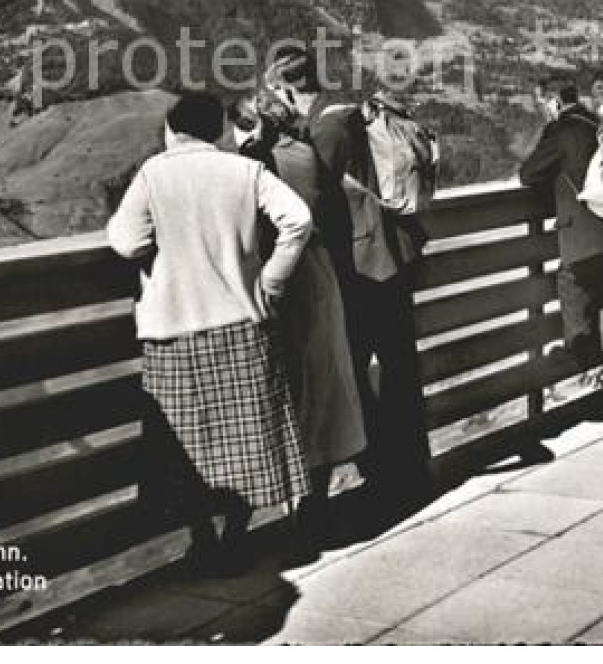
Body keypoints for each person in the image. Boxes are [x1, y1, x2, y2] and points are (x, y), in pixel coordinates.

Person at [106, 92, 315, 567]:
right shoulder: (245, 171)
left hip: (173, 327)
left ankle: (202, 539)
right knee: (248, 435)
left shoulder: (153, 174)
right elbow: (298, 220)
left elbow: (126, 242)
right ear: (218, 129)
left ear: (170, 129)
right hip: (241, 320)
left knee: (184, 443)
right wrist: (271, 282)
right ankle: (236, 530)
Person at [264, 49, 432, 511]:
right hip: (382, 257)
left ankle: (390, 475)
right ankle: (400, 471)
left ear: (286, 88)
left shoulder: (326, 128)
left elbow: (313, 198)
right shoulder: (342, 115)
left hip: (363, 265)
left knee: (362, 370)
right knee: (388, 366)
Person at [232, 94, 367, 542]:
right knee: (321, 387)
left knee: (264, 391)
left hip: (272, 279)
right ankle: (314, 506)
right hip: (317, 274)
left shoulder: (252, 162)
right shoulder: (306, 157)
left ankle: (240, 520)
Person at [519, 71, 603, 416]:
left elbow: (529, 174)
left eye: (542, 104)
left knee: (574, 297)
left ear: (552, 102)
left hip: (585, 242)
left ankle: (585, 369)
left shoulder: (560, 130)